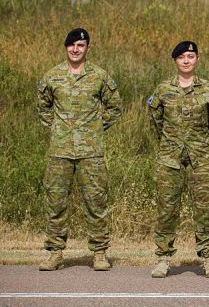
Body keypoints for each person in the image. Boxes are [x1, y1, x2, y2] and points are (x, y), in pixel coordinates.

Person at [37, 28, 123, 271]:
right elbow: (43, 107)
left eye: (81, 45)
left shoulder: (99, 76)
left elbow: (115, 107)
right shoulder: (52, 76)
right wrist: (56, 128)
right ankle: (55, 253)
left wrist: (95, 129)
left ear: (87, 48)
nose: (75, 49)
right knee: (56, 202)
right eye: (72, 45)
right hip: (60, 151)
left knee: (96, 202)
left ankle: (99, 253)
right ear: (66, 47)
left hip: (91, 151)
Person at [146, 41, 209, 278]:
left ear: (197, 59)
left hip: (201, 157)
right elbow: (155, 122)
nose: (186, 60)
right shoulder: (162, 90)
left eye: (190, 56)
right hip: (170, 158)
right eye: (181, 57)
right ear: (175, 61)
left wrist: (199, 145)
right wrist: (170, 144)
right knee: (167, 208)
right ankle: (162, 258)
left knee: (204, 209)